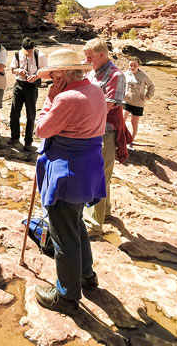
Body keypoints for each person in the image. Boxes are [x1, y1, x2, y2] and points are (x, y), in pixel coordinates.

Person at [33, 48, 107, 314]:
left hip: (67, 172)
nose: (51, 80)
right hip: (87, 169)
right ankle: (87, 276)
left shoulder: (66, 98)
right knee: (76, 224)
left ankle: (66, 296)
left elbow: (41, 129)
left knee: (63, 234)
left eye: (53, 75)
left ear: (63, 74)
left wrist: (49, 101)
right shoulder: (95, 90)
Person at [82, 38, 127, 236]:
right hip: (93, 128)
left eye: (90, 57)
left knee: (98, 175)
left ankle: (93, 224)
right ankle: (105, 212)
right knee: (102, 174)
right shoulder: (93, 71)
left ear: (102, 55)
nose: (87, 60)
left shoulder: (116, 75)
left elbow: (107, 105)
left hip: (105, 131)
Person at [9, 37, 47, 152]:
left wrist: (36, 76)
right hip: (19, 85)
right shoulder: (17, 54)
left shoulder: (40, 56)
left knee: (31, 114)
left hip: (32, 87)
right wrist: (18, 71)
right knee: (14, 112)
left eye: (30, 51)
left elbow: (44, 71)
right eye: (27, 51)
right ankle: (14, 138)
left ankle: (28, 142)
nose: (29, 53)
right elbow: (12, 69)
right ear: (22, 49)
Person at [122, 57, 155, 144]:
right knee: (121, 119)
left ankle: (131, 140)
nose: (132, 67)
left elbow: (151, 86)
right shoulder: (126, 74)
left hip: (138, 103)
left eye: (134, 65)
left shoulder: (143, 76)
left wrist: (147, 96)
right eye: (131, 65)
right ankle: (122, 137)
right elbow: (120, 84)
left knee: (134, 122)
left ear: (138, 66)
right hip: (126, 101)